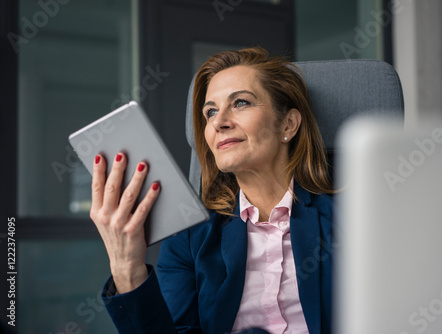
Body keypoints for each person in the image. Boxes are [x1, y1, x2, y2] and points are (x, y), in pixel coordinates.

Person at [90, 46, 335, 334]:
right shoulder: (189, 236)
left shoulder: (354, 220)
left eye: (241, 103)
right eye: (210, 112)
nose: (219, 122)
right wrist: (127, 266)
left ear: (288, 123)